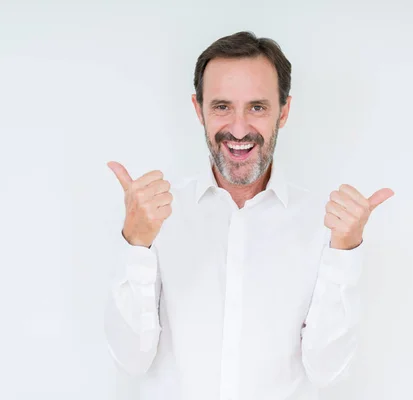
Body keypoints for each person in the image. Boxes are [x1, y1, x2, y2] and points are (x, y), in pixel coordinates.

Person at [104, 31, 393, 400]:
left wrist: (345, 252)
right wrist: (136, 245)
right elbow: (130, 360)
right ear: (199, 109)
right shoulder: (156, 217)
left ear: (284, 111)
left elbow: (327, 371)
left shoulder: (325, 225)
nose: (238, 129)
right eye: (222, 106)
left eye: (257, 107)